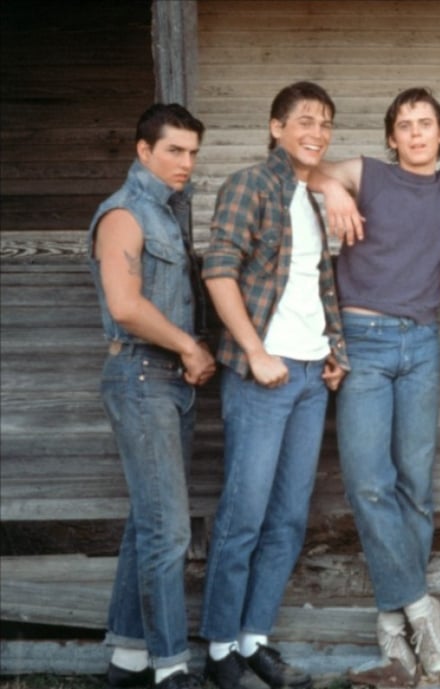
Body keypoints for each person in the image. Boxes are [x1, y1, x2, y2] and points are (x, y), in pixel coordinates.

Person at [308, 87, 440, 680]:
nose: (416, 133)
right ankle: (419, 608)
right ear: (391, 137)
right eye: (404, 125)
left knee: (416, 484)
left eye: (426, 124)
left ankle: (391, 622)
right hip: (363, 342)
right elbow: (302, 163)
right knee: (370, 483)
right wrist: (334, 187)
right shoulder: (366, 172)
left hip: (421, 344)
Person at [199, 81, 349, 689]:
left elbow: (318, 284)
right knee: (243, 517)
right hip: (266, 373)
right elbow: (218, 269)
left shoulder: (311, 198)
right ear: (275, 127)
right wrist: (256, 352)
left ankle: (253, 638)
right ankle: (217, 652)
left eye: (326, 124)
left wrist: (334, 351)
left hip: (311, 375)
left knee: (289, 517)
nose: (316, 132)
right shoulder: (250, 185)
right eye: (305, 121)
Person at [89, 103, 216, 689]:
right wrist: (190, 348)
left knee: (149, 522)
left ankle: (128, 660)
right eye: (174, 150)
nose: (186, 162)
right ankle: (171, 668)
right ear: (144, 151)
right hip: (142, 377)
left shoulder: (168, 213)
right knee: (169, 532)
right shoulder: (124, 214)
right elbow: (125, 305)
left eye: (192, 152)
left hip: (164, 383)